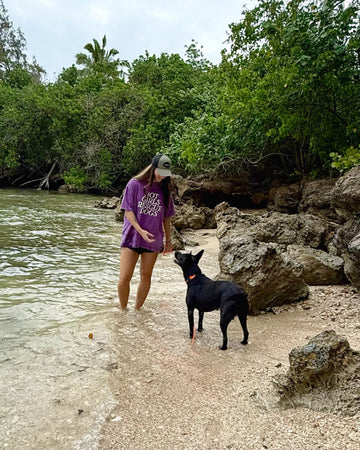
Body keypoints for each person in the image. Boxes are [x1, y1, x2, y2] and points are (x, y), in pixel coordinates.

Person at [118, 154, 175, 310]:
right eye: (161, 172)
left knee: (146, 275)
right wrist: (141, 231)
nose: (163, 176)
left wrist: (168, 240)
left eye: (166, 173)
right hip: (132, 237)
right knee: (124, 277)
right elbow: (128, 212)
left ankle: (138, 310)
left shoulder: (165, 191)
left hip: (153, 240)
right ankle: (123, 311)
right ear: (153, 168)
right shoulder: (134, 184)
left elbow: (167, 217)